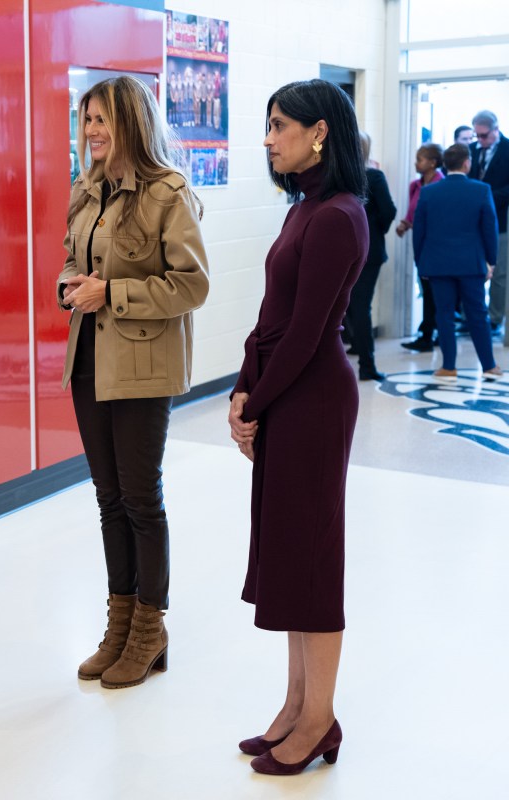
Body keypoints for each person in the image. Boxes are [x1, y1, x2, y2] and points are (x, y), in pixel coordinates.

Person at [228, 79, 368, 776]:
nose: (268, 137)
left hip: (313, 402)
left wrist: (256, 403)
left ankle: (319, 719)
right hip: (287, 395)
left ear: (319, 133)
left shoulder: (339, 215)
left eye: (279, 125)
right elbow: (270, 314)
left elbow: (309, 333)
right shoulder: (304, 209)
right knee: (289, 555)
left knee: (312, 559)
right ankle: (294, 706)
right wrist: (241, 387)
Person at [58, 76, 209, 690]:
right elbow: (74, 259)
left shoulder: (169, 193)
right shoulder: (85, 188)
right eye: (87, 119)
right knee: (109, 499)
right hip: (89, 360)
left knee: (141, 498)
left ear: (132, 124)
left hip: (143, 366)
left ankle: (151, 630)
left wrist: (110, 292)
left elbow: (192, 286)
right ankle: (120, 625)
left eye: (103, 120)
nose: (92, 131)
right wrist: (71, 282)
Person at [413, 144, 504, 382]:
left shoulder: (429, 192)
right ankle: (489, 366)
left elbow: (419, 232)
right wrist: (490, 261)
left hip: (438, 264)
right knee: (478, 314)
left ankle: (449, 367)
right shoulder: (482, 190)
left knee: (443, 314)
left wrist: (420, 262)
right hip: (471, 264)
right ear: (467, 163)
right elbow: (490, 230)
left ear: (445, 164)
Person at [346, 132, 396, 381]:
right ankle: (367, 366)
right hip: (369, 250)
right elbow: (389, 210)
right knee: (361, 305)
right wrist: (376, 230)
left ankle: (357, 344)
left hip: (343, 250)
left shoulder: (340, 179)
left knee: (348, 302)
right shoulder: (373, 177)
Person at [396, 143, 445, 352]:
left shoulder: (441, 184)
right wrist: (405, 224)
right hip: (420, 242)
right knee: (425, 288)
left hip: (436, 244)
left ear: (433, 163)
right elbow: (412, 212)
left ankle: (431, 333)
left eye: (420, 159)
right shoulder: (415, 185)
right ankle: (428, 331)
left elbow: (441, 217)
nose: (416, 163)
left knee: (435, 289)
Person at [470, 110, 509, 338]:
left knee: (500, 273)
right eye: (477, 136)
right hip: (474, 222)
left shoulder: (507, 149)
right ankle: (471, 317)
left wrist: (487, 196)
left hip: (500, 219)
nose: (480, 141)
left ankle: (495, 318)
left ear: (495, 130)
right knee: (472, 269)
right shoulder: (473, 151)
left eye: (484, 136)